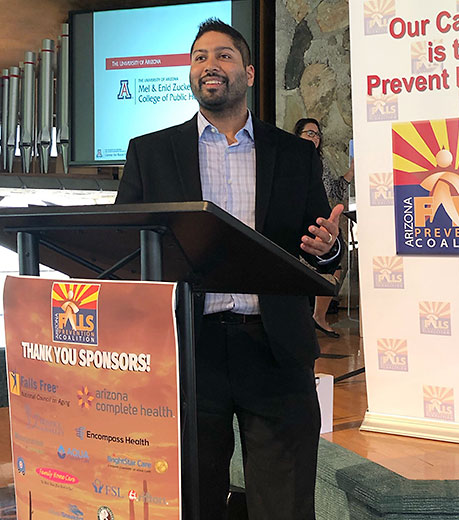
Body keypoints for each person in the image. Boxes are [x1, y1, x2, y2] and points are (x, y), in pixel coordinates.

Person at [115, 18, 343, 519]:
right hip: (185, 355)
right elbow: (122, 254)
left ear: (250, 72)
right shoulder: (149, 154)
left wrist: (327, 248)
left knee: (284, 504)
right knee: (188, 501)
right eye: (199, 57)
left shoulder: (294, 155)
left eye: (223, 55)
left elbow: (322, 248)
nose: (209, 65)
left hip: (275, 350)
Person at [294, 118, 354, 338]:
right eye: (310, 133)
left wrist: (351, 171)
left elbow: (336, 192)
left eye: (318, 134)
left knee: (338, 262)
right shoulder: (290, 159)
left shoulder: (322, 163)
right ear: (297, 135)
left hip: (326, 226)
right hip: (302, 226)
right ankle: (312, 316)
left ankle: (318, 315)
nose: (315, 137)